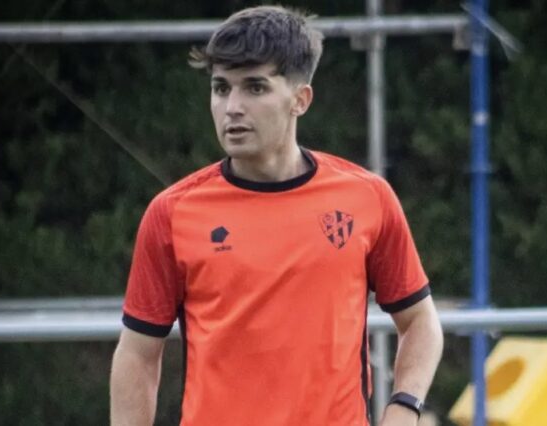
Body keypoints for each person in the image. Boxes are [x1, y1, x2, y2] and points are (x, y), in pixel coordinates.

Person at [110, 5, 443, 426]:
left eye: (254, 88)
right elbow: (138, 355)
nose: (232, 106)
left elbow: (420, 324)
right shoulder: (172, 213)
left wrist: (404, 406)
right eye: (220, 88)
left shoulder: (366, 197)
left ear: (300, 100)